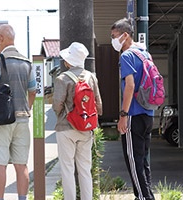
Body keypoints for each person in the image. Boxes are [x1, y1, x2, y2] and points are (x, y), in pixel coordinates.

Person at [0, 24, 37, 200]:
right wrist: (27, 107)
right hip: (22, 119)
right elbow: (33, 90)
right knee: (21, 165)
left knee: (0, 163)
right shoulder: (27, 62)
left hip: (2, 119)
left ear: (2, 38)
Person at [111, 18, 155, 200]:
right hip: (148, 114)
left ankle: (144, 198)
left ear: (125, 35)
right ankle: (146, 195)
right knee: (143, 160)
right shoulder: (145, 54)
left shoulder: (127, 55)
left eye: (114, 36)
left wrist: (123, 114)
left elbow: (129, 86)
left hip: (133, 115)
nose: (113, 40)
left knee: (133, 162)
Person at [52, 42, 102, 200]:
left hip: (66, 128)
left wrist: (62, 114)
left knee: (67, 169)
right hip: (86, 128)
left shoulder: (62, 79)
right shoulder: (91, 77)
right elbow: (98, 105)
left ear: (69, 61)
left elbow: (57, 105)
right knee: (85, 169)